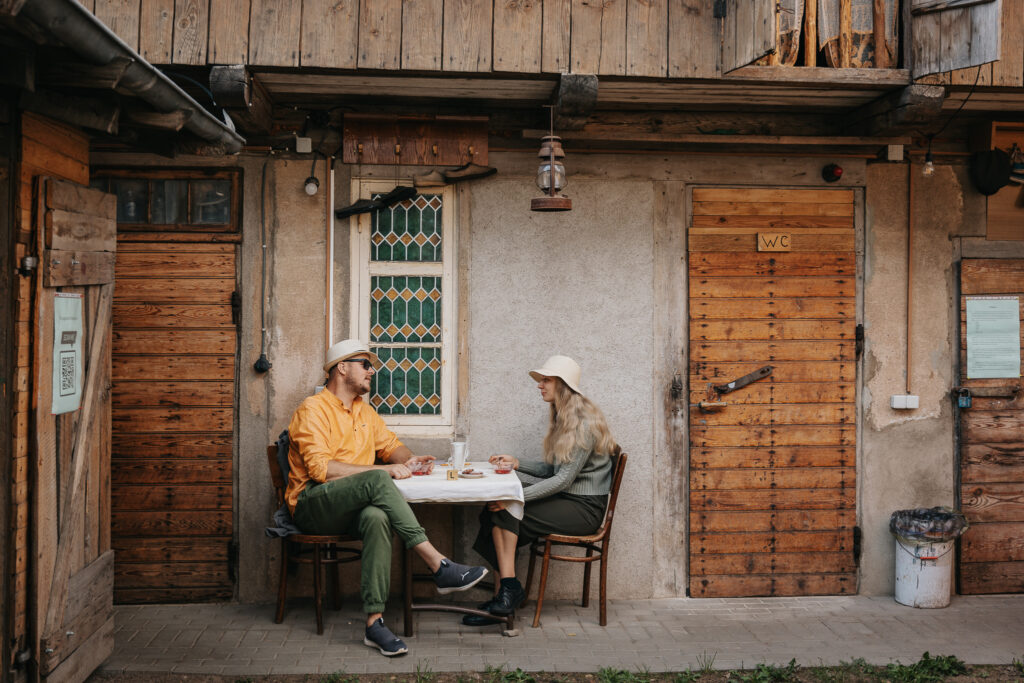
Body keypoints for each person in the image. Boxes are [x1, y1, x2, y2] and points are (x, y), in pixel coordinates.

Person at [286, 338, 488, 656]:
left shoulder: (366, 413)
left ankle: (374, 623)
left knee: (377, 516)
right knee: (380, 478)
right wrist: (385, 471)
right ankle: (439, 565)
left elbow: (392, 447)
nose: (372, 371)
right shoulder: (312, 410)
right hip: (313, 504)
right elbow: (319, 469)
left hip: (352, 506)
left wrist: (408, 460)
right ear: (341, 368)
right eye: (365, 364)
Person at [463, 355, 616, 626]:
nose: (540, 385)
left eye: (546, 380)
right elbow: (554, 471)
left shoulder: (582, 424)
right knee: (493, 510)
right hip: (568, 500)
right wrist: (518, 463)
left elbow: (563, 481)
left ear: (563, 385)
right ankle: (503, 598)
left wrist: (516, 496)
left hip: (584, 509)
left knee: (506, 509)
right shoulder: (565, 417)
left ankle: (508, 592)